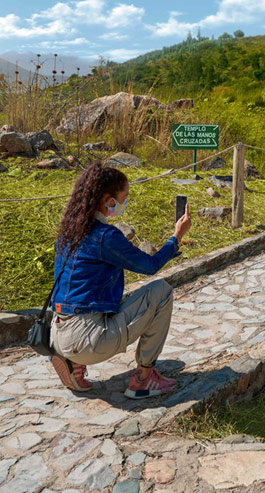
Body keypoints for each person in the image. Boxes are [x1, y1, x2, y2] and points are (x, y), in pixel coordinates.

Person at [48, 162, 191, 398]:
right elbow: (149, 266)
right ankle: (143, 380)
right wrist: (176, 237)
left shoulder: (69, 232)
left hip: (57, 330)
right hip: (87, 338)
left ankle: (71, 360)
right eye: (123, 197)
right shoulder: (105, 236)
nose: (125, 203)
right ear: (108, 199)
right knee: (161, 292)